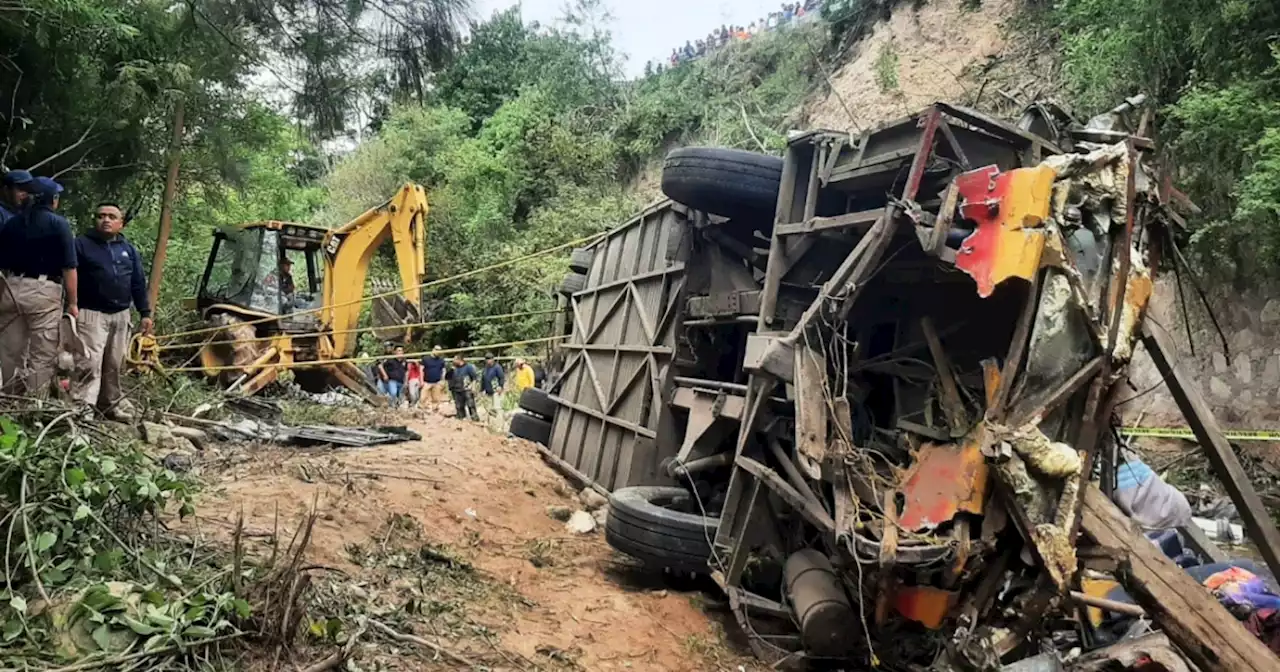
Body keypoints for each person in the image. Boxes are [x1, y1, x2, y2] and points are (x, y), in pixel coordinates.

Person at [72, 202, 152, 416]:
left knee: (115, 363)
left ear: (121, 223)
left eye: (111, 216)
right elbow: (68, 276)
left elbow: (137, 282)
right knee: (89, 363)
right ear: (95, 220)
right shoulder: (80, 244)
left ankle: (110, 405)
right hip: (90, 313)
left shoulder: (128, 249)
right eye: (101, 216)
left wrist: (145, 312)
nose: (105, 220)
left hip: (121, 314)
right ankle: (82, 409)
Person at [0, 176, 76, 397]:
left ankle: (9, 399)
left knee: (9, 350)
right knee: (42, 352)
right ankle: (34, 403)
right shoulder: (58, 224)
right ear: (52, 200)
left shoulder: (12, 223)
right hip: (43, 291)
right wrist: (73, 303)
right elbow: (69, 268)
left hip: (11, 287)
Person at [446, 354, 479, 420]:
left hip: (466, 389)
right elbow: (447, 377)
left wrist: (473, 387)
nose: (453, 361)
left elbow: (474, 378)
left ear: (459, 360)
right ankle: (461, 419)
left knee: (471, 405)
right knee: (459, 406)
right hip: (456, 390)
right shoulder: (454, 368)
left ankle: (475, 419)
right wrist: (451, 370)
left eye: (455, 359)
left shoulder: (468, 367)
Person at [420, 345, 448, 412]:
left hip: (437, 382)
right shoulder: (425, 358)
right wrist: (421, 380)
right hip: (426, 381)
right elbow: (421, 370)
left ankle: (435, 411)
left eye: (439, 350)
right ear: (433, 349)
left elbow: (444, 370)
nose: (438, 351)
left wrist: (442, 380)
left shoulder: (441, 360)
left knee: (436, 398)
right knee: (422, 398)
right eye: (437, 349)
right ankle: (422, 411)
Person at [480, 353, 505, 421]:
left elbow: (501, 377)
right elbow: (483, 379)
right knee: (488, 408)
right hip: (488, 391)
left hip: (496, 391)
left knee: (497, 408)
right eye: (487, 359)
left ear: (493, 359)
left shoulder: (497, 367)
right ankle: (490, 422)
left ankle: (498, 423)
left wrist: (500, 386)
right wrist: (482, 389)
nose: (488, 361)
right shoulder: (485, 368)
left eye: (489, 359)